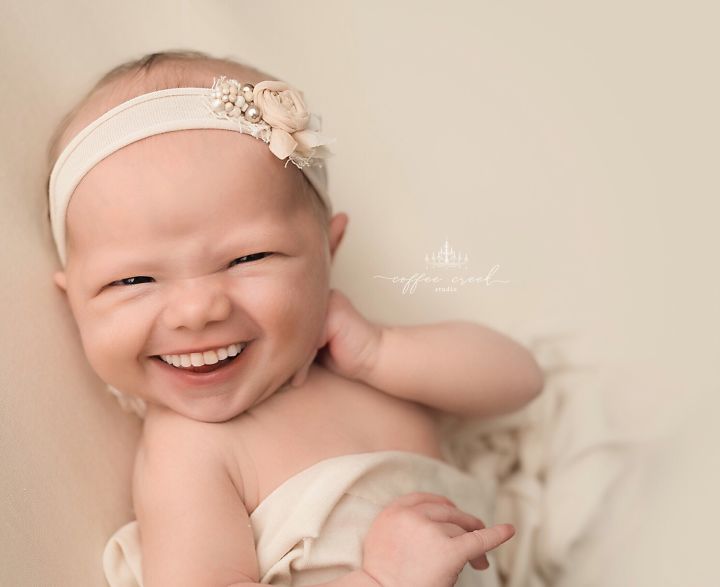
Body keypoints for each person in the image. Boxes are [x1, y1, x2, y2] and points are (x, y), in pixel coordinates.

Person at [46, 49, 543, 587]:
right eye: (133, 281)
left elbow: (521, 381)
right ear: (72, 299)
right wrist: (380, 579)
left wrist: (380, 351)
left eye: (247, 259)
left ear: (330, 251)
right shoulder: (190, 451)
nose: (196, 310)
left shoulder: (362, 367)